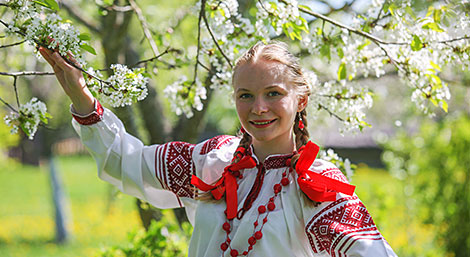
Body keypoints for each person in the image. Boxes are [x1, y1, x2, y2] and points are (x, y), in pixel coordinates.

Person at [39, 41, 398, 257]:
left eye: (273, 93)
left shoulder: (318, 185)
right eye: (246, 96)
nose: (259, 108)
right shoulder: (214, 160)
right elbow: (126, 162)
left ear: (300, 99)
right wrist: (79, 95)